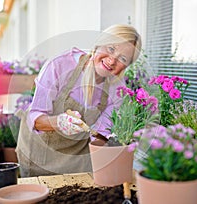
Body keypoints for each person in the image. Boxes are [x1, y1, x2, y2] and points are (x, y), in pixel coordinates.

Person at [16, 24, 142, 177]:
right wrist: (60, 123)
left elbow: (99, 134)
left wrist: (115, 154)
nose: (112, 60)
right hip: (40, 155)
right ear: (99, 44)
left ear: (127, 66)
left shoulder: (117, 90)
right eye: (111, 48)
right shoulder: (60, 65)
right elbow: (34, 116)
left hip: (76, 161)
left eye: (122, 58)